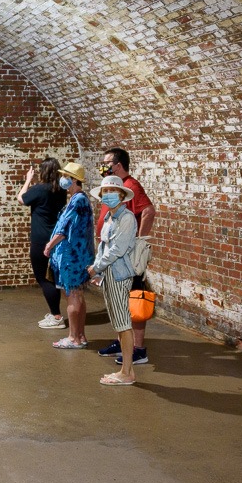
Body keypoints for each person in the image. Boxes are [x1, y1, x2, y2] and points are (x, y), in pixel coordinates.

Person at [94, 147, 156, 366]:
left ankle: (138, 349)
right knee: (118, 302)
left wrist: (139, 243)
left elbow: (148, 211)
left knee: (133, 298)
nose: (102, 167)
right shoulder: (115, 187)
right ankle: (123, 342)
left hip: (125, 256)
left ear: (117, 165)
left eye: (106, 163)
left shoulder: (131, 185)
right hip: (113, 254)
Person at [88, 176, 139, 386]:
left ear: (121, 195)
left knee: (123, 323)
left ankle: (127, 372)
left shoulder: (126, 218)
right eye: (105, 191)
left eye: (112, 190)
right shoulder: (111, 217)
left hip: (119, 274)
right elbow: (104, 247)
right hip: (109, 274)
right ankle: (125, 369)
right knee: (119, 323)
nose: (107, 194)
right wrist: (99, 271)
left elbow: (117, 250)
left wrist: (96, 267)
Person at [44, 162, 94, 350]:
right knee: (78, 296)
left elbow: (64, 228)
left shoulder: (77, 200)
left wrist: (49, 245)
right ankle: (80, 336)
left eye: (65, 175)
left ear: (74, 179)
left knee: (72, 296)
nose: (62, 179)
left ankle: (74, 337)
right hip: (79, 255)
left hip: (71, 257)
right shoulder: (79, 199)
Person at [17, 157, 68, 329]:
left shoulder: (40, 189)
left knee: (43, 279)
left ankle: (56, 316)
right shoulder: (61, 190)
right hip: (56, 239)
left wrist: (27, 181)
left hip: (40, 240)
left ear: (43, 172)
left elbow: (21, 199)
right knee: (53, 278)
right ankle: (55, 313)